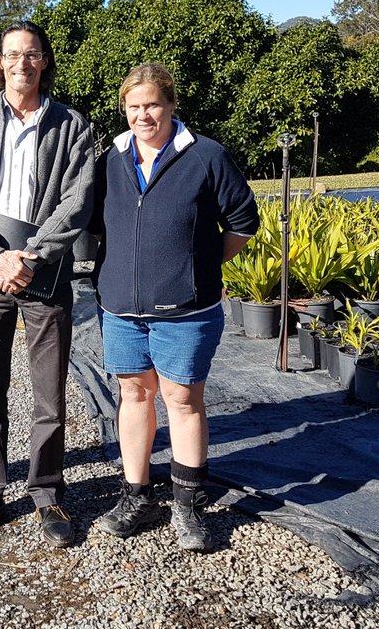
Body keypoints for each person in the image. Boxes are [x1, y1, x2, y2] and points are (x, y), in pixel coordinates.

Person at [92, 63, 258, 551]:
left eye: (153, 105)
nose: (144, 115)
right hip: (121, 308)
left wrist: (199, 265)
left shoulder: (205, 155)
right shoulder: (111, 159)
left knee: (182, 400)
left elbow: (243, 221)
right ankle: (136, 496)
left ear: (171, 105)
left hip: (186, 310)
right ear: (124, 109)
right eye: (134, 106)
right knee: (133, 397)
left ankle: (186, 504)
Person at [0, 20, 94, 548]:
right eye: (12, 55)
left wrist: (29, 256)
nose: (22, 63)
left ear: (45, 61)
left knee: (49, 394)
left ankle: (48, 493)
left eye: (32, 54)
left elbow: (78, 200)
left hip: (46, 277)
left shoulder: (73, 126)